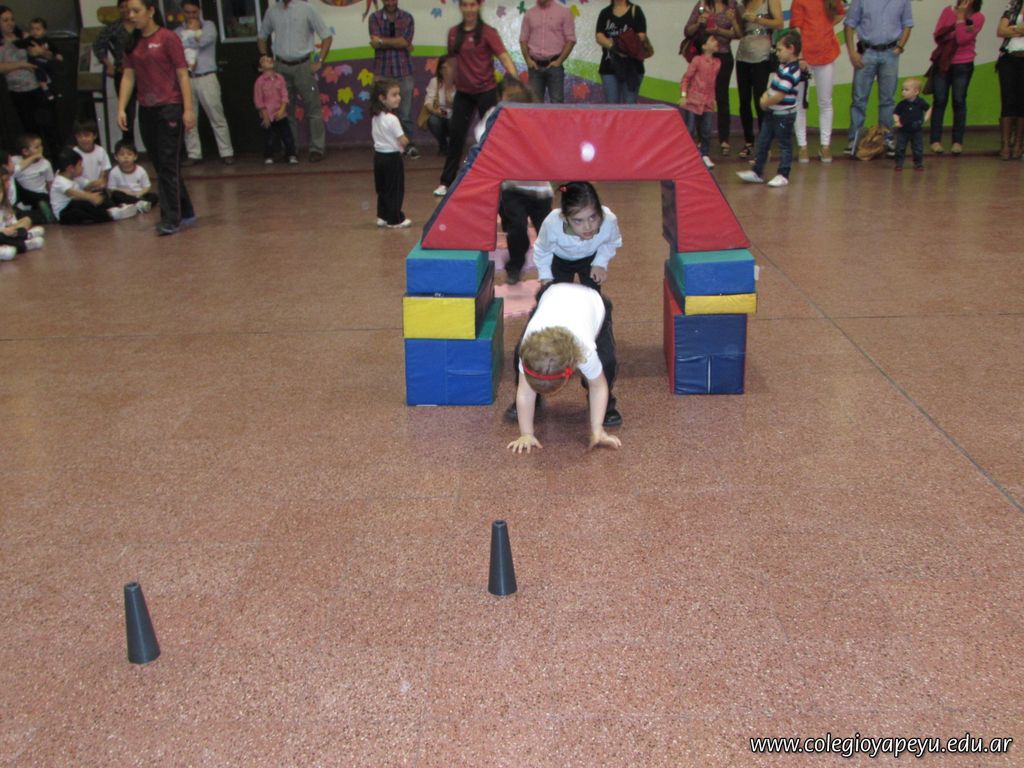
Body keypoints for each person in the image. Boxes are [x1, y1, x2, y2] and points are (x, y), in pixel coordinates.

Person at [505, 283, 622, 454]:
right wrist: (526, 434)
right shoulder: (528, 349)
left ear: (570, 368)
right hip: (551, 294)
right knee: (517, 355)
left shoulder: (584, 350)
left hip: (593, 301)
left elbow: (598, 386)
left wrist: (597, 429)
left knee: (607, 364)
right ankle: (533, 404)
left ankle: (606, 406)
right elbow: (524, 392)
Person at [118, 0, 197, 237]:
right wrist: (121, 108)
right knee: (161, 164)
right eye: (129, 12)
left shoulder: (168, 38)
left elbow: (182, 75)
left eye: (137, 11)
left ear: (151, 11)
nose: (132, 15)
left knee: (168, 164)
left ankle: (171, 218)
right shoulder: (132, 42)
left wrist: (188, 109)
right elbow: (128, 76)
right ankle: (186, 211)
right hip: (147, 109)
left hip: (170, 107)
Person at [434, 0, 518, 197]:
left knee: (492, 137)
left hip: (486, 91)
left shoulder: (488, 32)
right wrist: (448, 88)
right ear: (460, 7)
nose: (469, 9)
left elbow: (504, 57)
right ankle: (446, 182)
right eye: (465, 5)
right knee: (456, 137)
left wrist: (516, 83)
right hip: (463, 93)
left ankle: (499, 178)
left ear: (479, 6)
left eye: (473, 5)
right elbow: (452, 62)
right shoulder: (453, 33)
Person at [472, 79, 552, 285]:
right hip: (513, 188)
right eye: (508, 97)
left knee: (547, 232)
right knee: (517, 230)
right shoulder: (496, 116)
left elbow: (551, 142)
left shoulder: (537, 117)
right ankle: (515, 266)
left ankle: (553, 268)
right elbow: (481, 135)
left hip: (540, 191)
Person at [258, 0, 332, 162]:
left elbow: (327, 36)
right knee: (285, 111)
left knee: (313, 108)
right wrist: (264, 57)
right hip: (280, 67)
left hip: (303, 66)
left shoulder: (307, 9)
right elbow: (262, 37)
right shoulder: (272, 11)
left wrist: (319, 61)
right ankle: (291, 149)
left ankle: (317, 149)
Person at [843, 0, 914, 155]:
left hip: (890, 53)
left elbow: (908, 24)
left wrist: (900, 47)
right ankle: (854, 140)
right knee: (859, 99)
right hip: (866, 52)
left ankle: (887, 139)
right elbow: (849, 24)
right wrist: (852, 53)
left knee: (888, 99)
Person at [736, 31, 801, 187]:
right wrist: (765, 96)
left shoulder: (792, 71)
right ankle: (757, 171)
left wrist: (766, 102)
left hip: (783, 115)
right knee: (763, 142)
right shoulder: (782, 67)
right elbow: (773, 87)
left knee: (784, 145)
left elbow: (780, 95)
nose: (777, 53)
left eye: (780, 50)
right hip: (772, 113)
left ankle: (783, 174)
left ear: (791, 49)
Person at [532, 181, 621, 294]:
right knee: (558, 295)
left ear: (599, 210)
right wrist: (545, 276)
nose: (588, 227)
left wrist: (600, 263)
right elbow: (542, 249)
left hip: (590, 259)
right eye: (578, 221)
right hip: (560, 261)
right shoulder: (552, 223)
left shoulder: (608, 220)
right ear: (564, 218)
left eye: (593, 217)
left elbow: (611, 242)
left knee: (593, 294)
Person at [177, 0, 235, 166]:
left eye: (194, 12)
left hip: (207, 76)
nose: (191, 15)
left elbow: (203, 42)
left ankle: (226, 152)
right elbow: (177, 48)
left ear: (199, 10)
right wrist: (193, 35)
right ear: (182, 12)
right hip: (187, 78)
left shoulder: (209, 26)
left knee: (217, 116)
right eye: (187, 12)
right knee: (190, 118)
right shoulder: (177, 31)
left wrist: (191, 34)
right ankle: (193, 154)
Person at [0, 6, 61, 159]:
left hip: (37, 86)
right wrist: (21, 65)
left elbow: (47, 55)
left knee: (50, 126)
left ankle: (57, 159)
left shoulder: (24, 36)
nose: (10, 23)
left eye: (12, 19)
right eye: (5, 20)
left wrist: (42, 52)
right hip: (17, 91)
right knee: (30, 130)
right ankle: (38, 160)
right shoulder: (1, 43)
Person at [683, 0, 741, 155]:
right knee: (698, 95)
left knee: (722, 97)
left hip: (723, 55)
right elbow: (687, 31)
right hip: (703, 56)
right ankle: (699, 139)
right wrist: (699, 23)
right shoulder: (702, 4)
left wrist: (719, 29)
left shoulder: (731, 5)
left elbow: (738, 33)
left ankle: (724, 139)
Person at [791, 0, 845, 163]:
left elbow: (840, 13)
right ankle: (802, 146)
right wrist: (800, 56)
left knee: (825, 101)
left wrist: (826, 27)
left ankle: (825, 145)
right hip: (805, 56)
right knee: (800, 102)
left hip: (826, 53)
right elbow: (796, 28)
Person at [927, 0, 983, 155]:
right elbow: (938, 35)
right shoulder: (947, 11)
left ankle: (957, 142)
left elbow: (962, 39)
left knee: (959, 100)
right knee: (939, 100)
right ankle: (935, 140)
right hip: (943, 63)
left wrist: (959, 19)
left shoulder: (978, 17)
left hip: (963, 64)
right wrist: (960, 26)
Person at [369, 0, 419, 159]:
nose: (390, 2)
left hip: (404, 71)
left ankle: (408, 147)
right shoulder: (374, 17)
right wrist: (398, 42)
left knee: (405, 114)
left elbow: (404, 41)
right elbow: (375, 43)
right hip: (381, 72)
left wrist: (382, 41)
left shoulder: (407, 17)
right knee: (379, 112)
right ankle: (384, 147)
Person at [735, 0, 783, 159]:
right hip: (743, 53)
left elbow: (779, 23)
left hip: (761, 53)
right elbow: (740, 32)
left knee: (759, 99)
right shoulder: (743, 3)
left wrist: (757, 19)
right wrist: (733, 19)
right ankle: (748, 142)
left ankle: (764, 144)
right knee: (744, 100)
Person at [50, 147, 138, 225]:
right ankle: (109, 215)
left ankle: (118, 208)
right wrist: (89, 197)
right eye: (80, 165)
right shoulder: (59, 181)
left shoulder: (74, 177)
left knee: (99, 194)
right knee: (80, 204)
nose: (82, 168)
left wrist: (100, 181)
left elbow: (89, 183)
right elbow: (72, 193)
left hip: (77, 206)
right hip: (64, 215)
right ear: (71, 168)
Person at [93, 0, 137, 141]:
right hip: (123, 72)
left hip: (144, 72)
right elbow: (97, 45)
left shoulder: (141, 24)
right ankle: (128, 145)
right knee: (127, 111)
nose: (125, 10)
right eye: (122, 7)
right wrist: (108, 65)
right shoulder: (114, 27)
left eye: (128, 7)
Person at [371, 78, 411, 228]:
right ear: (382, 98)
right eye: (394, 95)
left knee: (382, 188)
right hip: (392, 158)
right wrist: (407, 142)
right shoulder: (392, 119)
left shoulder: (375, 117)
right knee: (395, 189)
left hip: (379, 157)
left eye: (398, 94)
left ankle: (382, 215)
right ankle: (395, 219)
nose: (398, 98)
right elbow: (402, 139)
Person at [679, 30, 722, 169]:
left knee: (706, 130)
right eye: (712, 40)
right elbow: (686, 79)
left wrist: (713, 99)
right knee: (690, 129)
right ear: (704, 46)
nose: (716, 42)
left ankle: (704, 154)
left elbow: (713, 83)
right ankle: (687, 155)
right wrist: (684, 96)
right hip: (693, 100)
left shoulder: (717, 63)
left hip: (707, 101)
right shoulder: (697, 60)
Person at [520, 0, 576, 103]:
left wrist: (559, 61)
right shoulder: (529, 14)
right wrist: (528, 59)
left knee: (557, 103)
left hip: (555, 66)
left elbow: (571, 40)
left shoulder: (564, 12)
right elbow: (523, 39)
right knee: (534, 104)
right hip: (534, 67)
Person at [596, 0, 650, 105]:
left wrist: (623, 46)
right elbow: (599, 36)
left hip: (632, 67)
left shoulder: (636, 11)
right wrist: (615, 47)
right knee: (612, 105)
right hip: (609, 66)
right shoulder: (605, 13)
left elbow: (641, 36)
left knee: (630, 105)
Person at [254, 55, 298, 165]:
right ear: (260, 68)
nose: (268, 60)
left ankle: (291, 154)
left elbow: (284, 95)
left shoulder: (280, 78)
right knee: (269, 137)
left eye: (269, 58)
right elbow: (258, 100)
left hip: (281, 113)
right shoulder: (259, 82)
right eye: (264, 60)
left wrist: (282, 110)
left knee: (287, 135)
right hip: (268, 115)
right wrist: (264, 114)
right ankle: (269, 155)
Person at [0, 153, 44, 260]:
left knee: (26, 220)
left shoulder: (5, 204)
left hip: (8, 232)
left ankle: (23, 238)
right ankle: (24, 240)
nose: (8, 184)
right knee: (5, 239)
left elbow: (12, 223)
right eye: (5, 181)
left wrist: (11, 229)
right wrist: (4, 231)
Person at [996, 0, 1024, 159]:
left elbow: (1007, 30)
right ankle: (1005, 144)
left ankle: (1019, 144)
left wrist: (1012, 29)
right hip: (1008, 58)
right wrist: (1020, 30)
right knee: (1008, 100)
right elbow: (1001, 30)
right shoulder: (1013, 5)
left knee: (1022, 101)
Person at [107, 139, 158, 212]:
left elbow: (147, 186)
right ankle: (140, 205)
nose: (126, 157)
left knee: (154, 196)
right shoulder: (114, 172)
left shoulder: (141, 170)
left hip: (138, 195)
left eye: (129, 154)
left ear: (135, 156)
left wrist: (139, 193)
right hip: (124, 196)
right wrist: (126, 192)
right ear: (116, 157)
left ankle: (134, 206)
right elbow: (112, 189)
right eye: (122, 154)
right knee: (115, 195)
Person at [12, 133, 53, 221]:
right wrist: (33, 157)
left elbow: (50, 183)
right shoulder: (15, 160)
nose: (41, 149)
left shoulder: (45, 164)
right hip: (24, 194)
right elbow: (13, 170)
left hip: (41, 194)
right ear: (25, 151)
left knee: (41, 200)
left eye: (41, 145)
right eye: (37, 147)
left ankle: (45, 212)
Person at [892, 76, 931, 170]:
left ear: (916, 92)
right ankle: (899, 164)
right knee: (900, 148)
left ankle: (918, 163)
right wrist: (897, 121)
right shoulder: (902, 104)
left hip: (917, 131)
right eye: (902, 89)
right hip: (903, 130)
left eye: (906, 90)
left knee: (918, 148)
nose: (903, 92)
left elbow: (929, 109)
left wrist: (925, 118)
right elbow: (896, 113)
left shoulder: (920, 102)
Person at [422, 55, 456, 154]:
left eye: (449, 67)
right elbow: (428, 102)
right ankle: (443, 144)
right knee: (432, 120)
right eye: (443, 68)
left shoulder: (460, 83)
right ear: (439, 70)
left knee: (454, 120)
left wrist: (451, 101)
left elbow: (463, 104)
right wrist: (435, 111)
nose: (446, 71)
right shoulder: (435, 81)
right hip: (440, 114)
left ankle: (454, 146)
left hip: (455, 115)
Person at [26, 18, 62, 102]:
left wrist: (57, 54)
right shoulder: (30, 40)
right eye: (32, 29)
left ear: (44, 31)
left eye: (38, 29)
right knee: (40, 72)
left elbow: (54, 48)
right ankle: (46, 90)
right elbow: (27, 49)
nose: (35, 31)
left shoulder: (47, 40)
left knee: (52, 71)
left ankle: (54, 89)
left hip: (46, 61)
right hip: (36, 61)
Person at [72, 120, 112, 192]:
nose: (83, 139)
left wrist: (100, 182)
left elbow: (105, 170)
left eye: (87, 135)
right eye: (79, 136)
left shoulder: (101, 151)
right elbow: (72, 175)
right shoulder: (73, 153)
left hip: (99, 189)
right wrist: (89, 185)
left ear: (94, 136)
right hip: (80, 191)